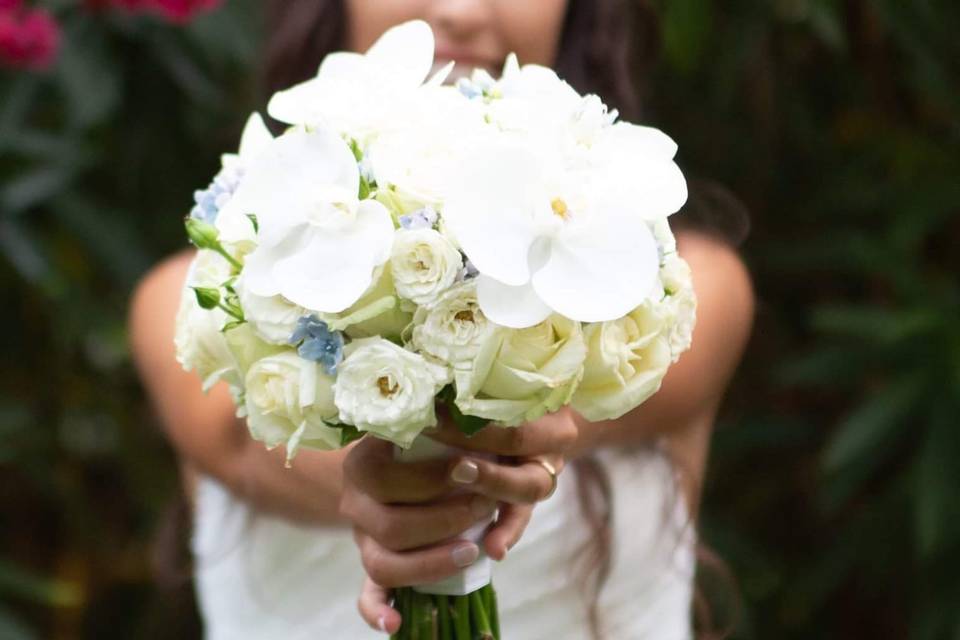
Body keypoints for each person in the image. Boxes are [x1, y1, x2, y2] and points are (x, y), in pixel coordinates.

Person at [130, 1, 755, 638]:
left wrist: (437, 476)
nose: (458, 10)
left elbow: (557, 407)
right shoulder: (201, 293)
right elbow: (255, 453)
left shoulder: (674, 286)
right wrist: (392, 482)